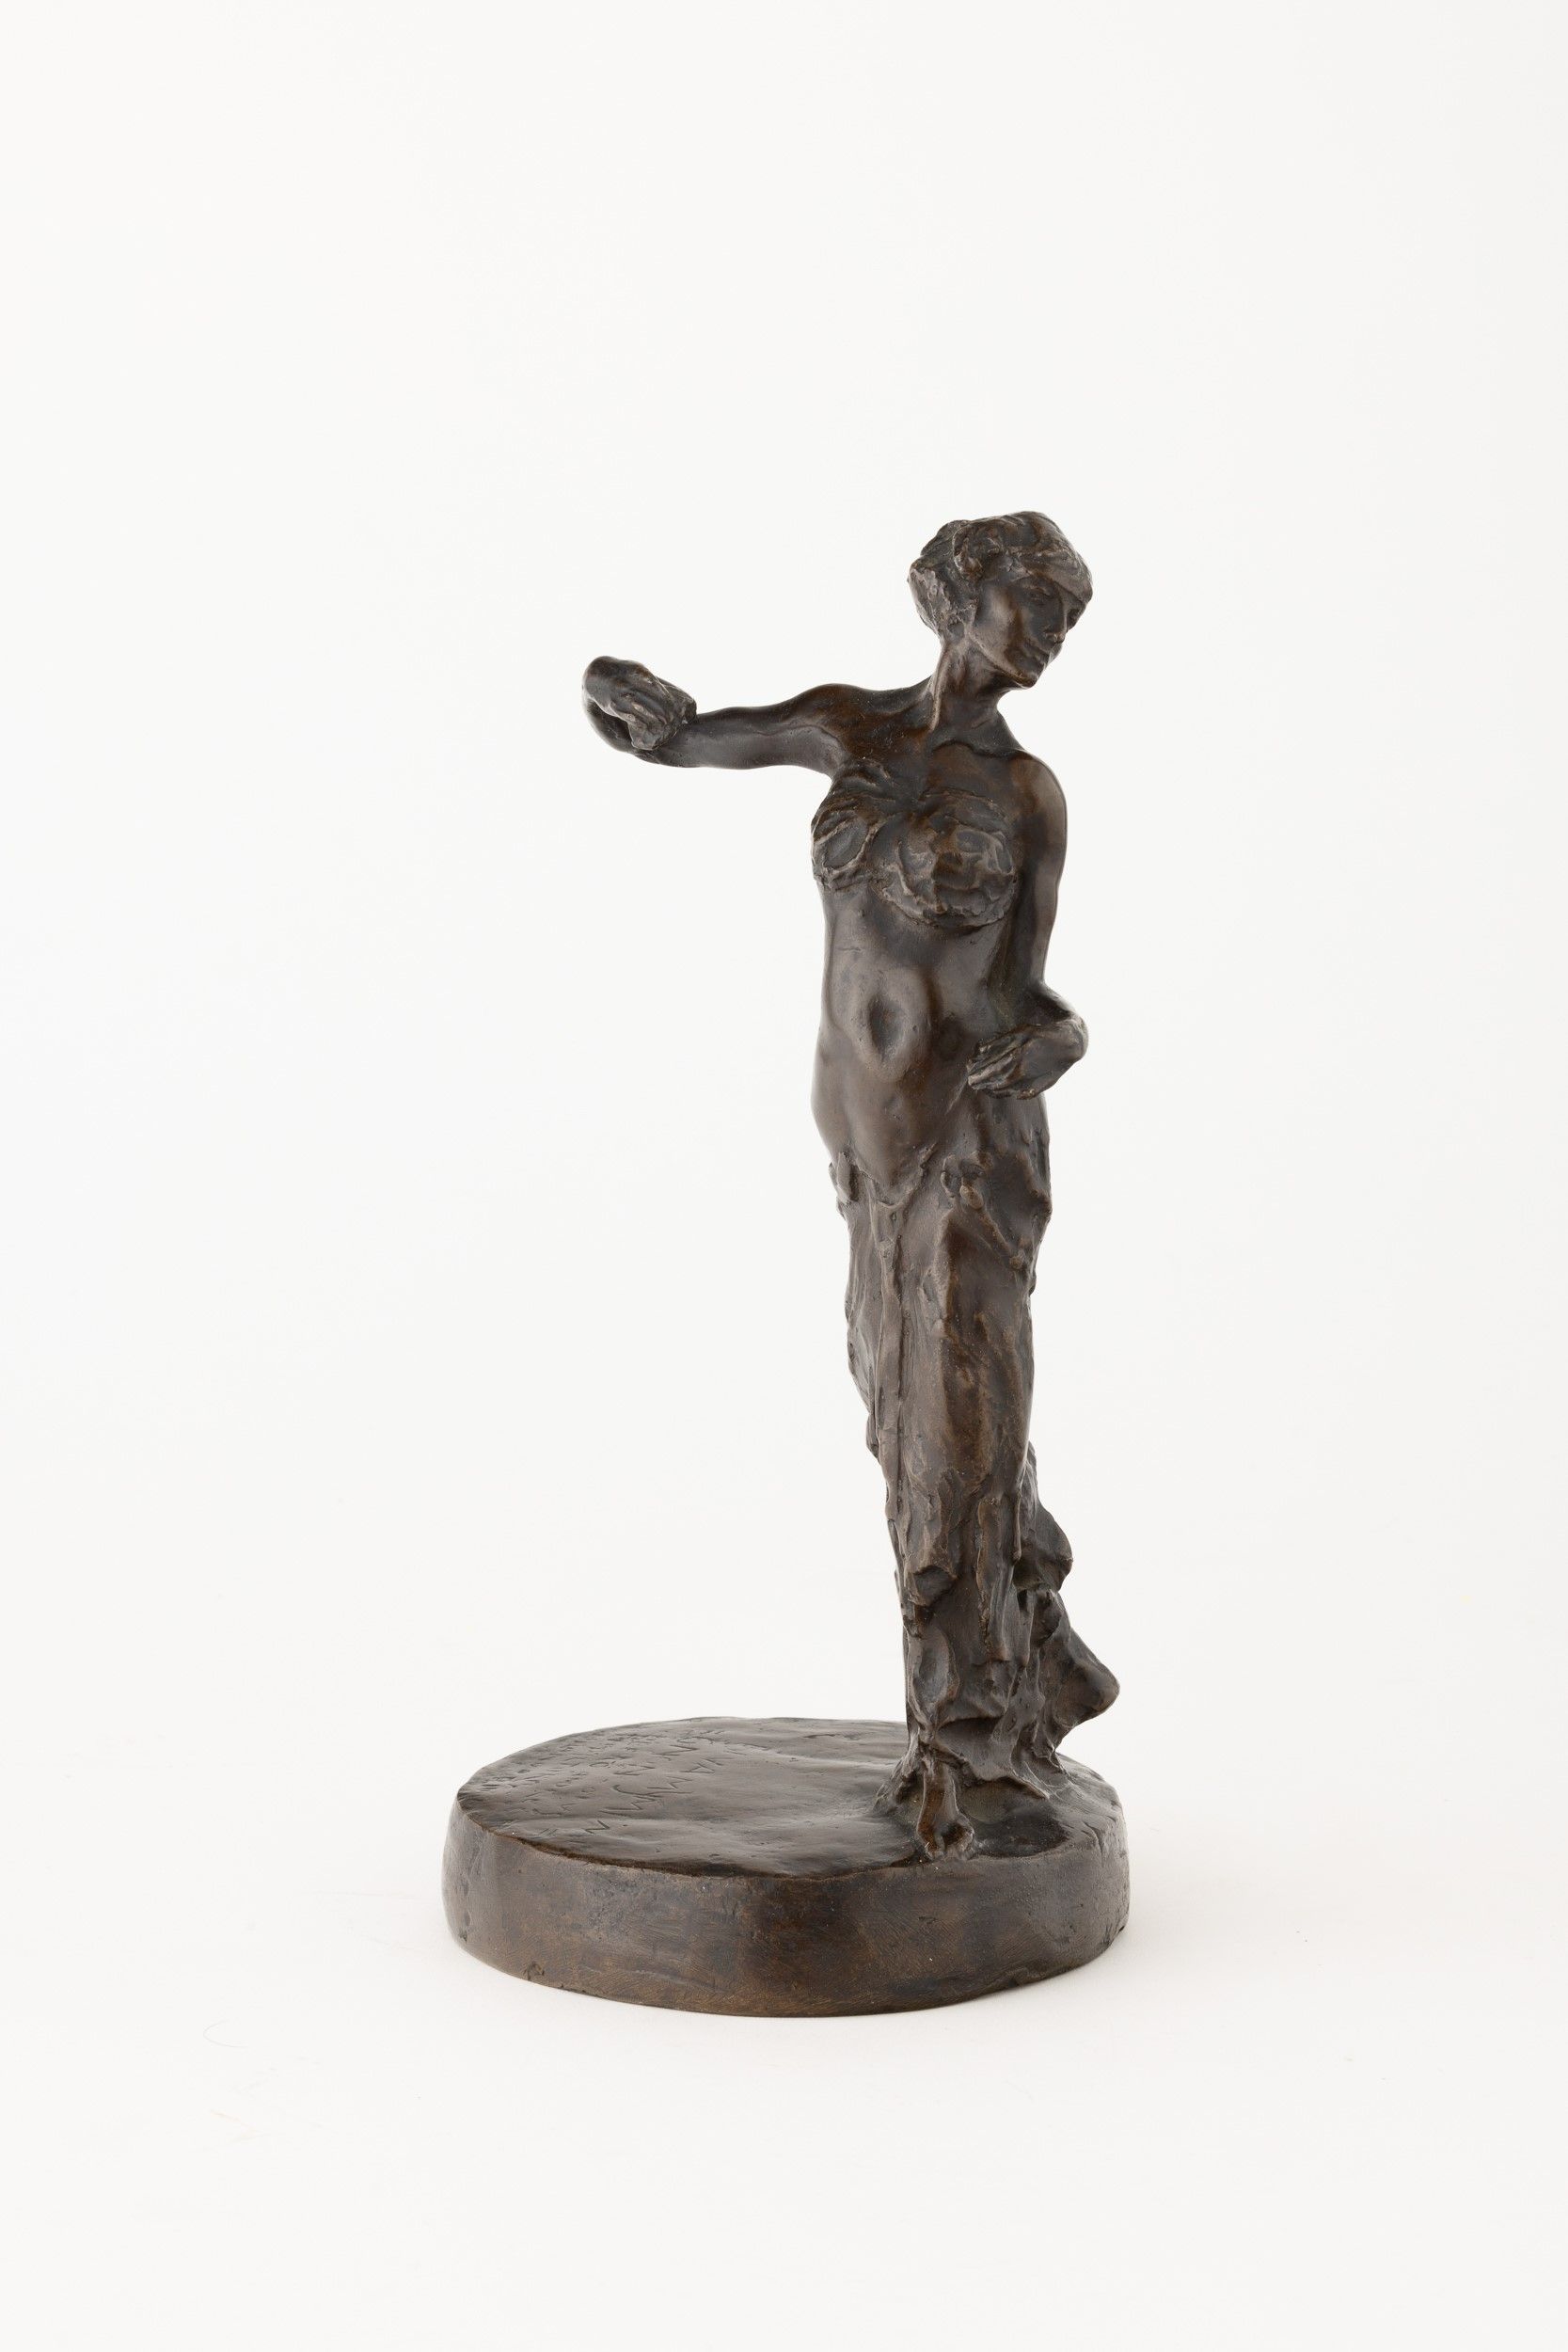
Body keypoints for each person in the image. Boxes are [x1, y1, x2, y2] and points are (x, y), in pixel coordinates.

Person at [583, 513, 1117, 1853]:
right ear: (958, 596)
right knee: (902, 1414)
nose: (1055, 634)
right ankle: (1034, 1648)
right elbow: (692, 739)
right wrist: (638, 714)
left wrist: (1062, 1041)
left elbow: (1033, 992)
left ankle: (971, 1751)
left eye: (1069, 615)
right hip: (865, 1144)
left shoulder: (1028, 794)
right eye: (1037, 603)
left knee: (954, 1431)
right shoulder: (850, 727)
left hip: (968, 1139)